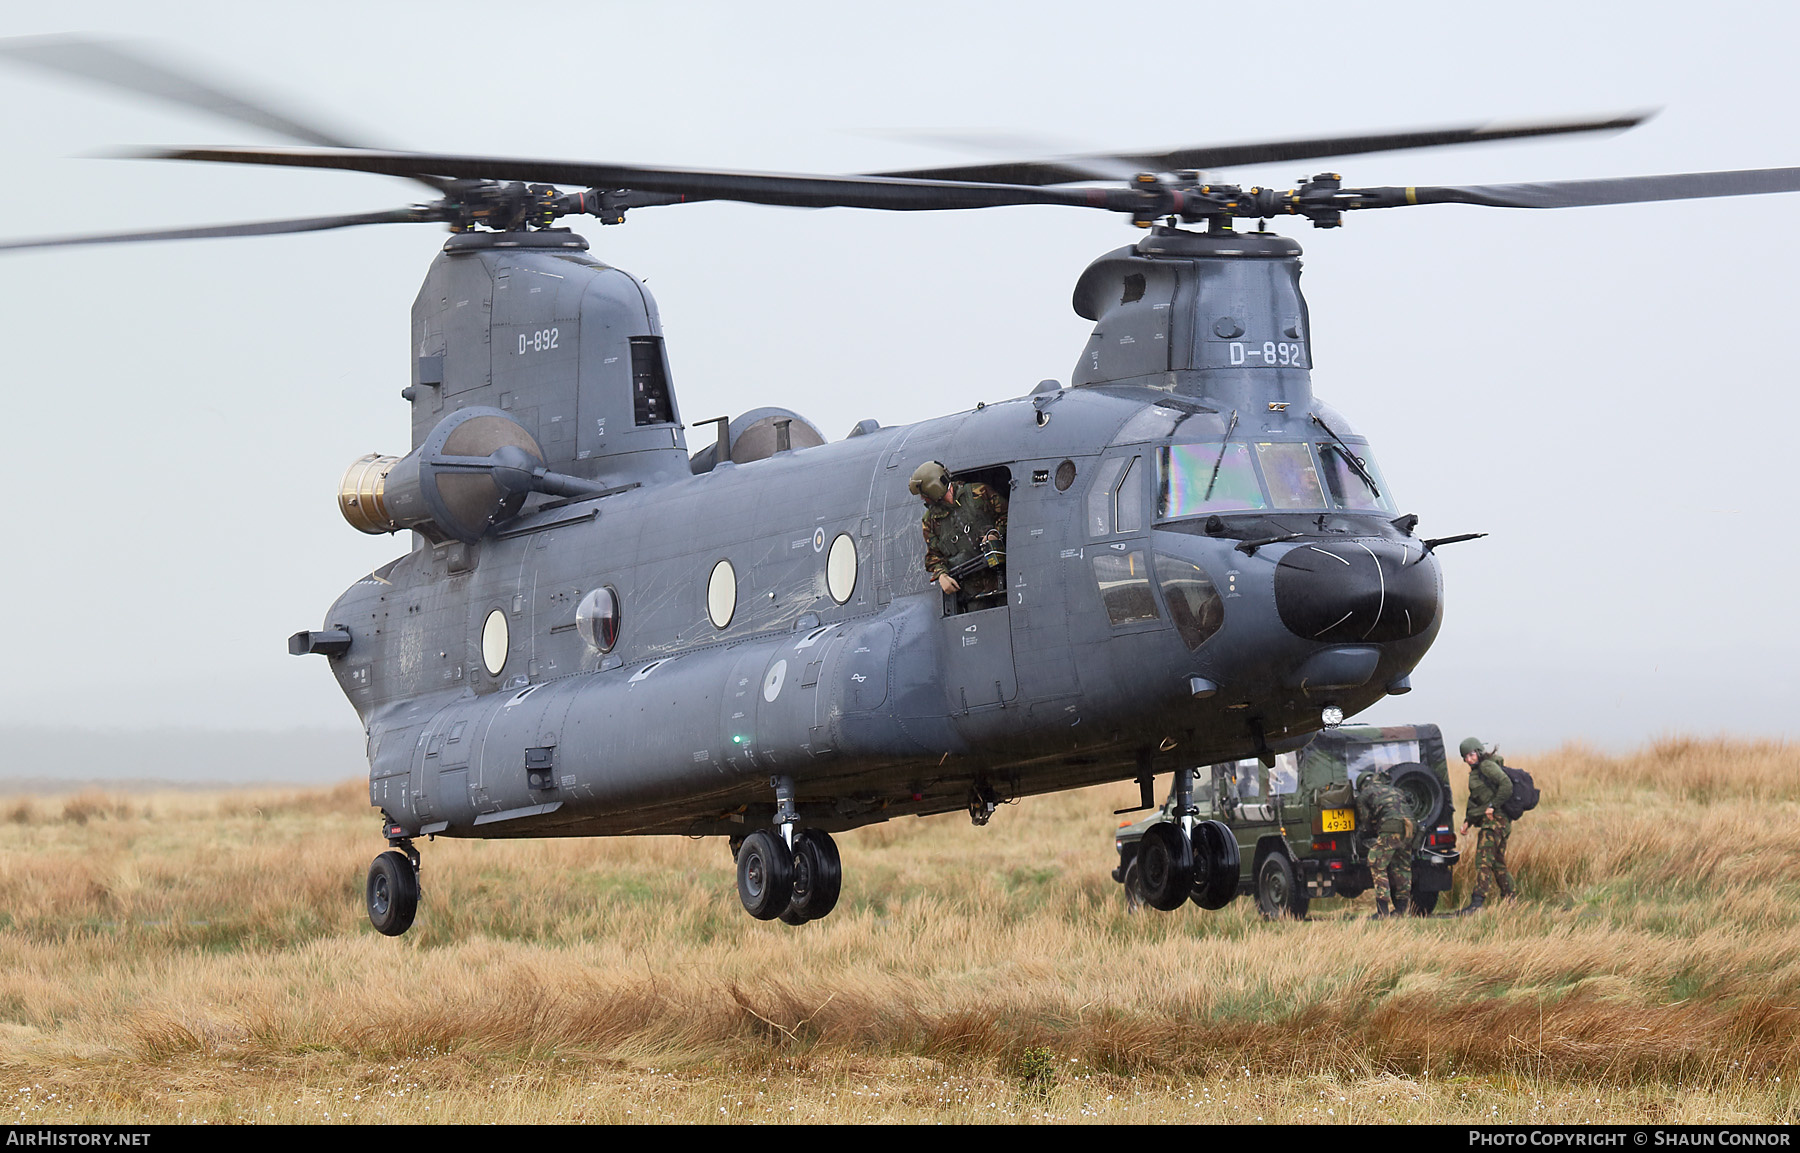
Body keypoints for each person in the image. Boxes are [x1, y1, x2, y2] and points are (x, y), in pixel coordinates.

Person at [910, 461, 1008, 605]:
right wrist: (941, 575)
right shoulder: (931, 521)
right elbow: (934, 557)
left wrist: (995, 534)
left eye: (924, 494)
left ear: (934, 488)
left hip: (1003, 580)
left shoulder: (979, 493)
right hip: (973, 594)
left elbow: (1008, 515)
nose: (923, 498)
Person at [1458, 736, 1516, 913]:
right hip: (1494, 821)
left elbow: (1506, 784)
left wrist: (1493, 806)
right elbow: (1476, 799)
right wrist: (1468, 821)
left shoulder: (1487, 766)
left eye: (1471, 755)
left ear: (1478, 751)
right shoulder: (1477, 772)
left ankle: (1477, 903)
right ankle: (1510, 901)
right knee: (1497, 862)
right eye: (1465, 758)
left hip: (1495, 822)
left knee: (1483, 860)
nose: (1469, 760)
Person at [1355, 768, 1415, 918]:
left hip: (1391, 827)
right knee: (1402, 866)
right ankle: (1401, 910)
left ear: (1362, 784)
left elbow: (1365, 821)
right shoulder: (1394, 789)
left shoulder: (1364, 794)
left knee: (1376, 862)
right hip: (1410, 827)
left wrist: (1364, 835)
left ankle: (1382, 911)